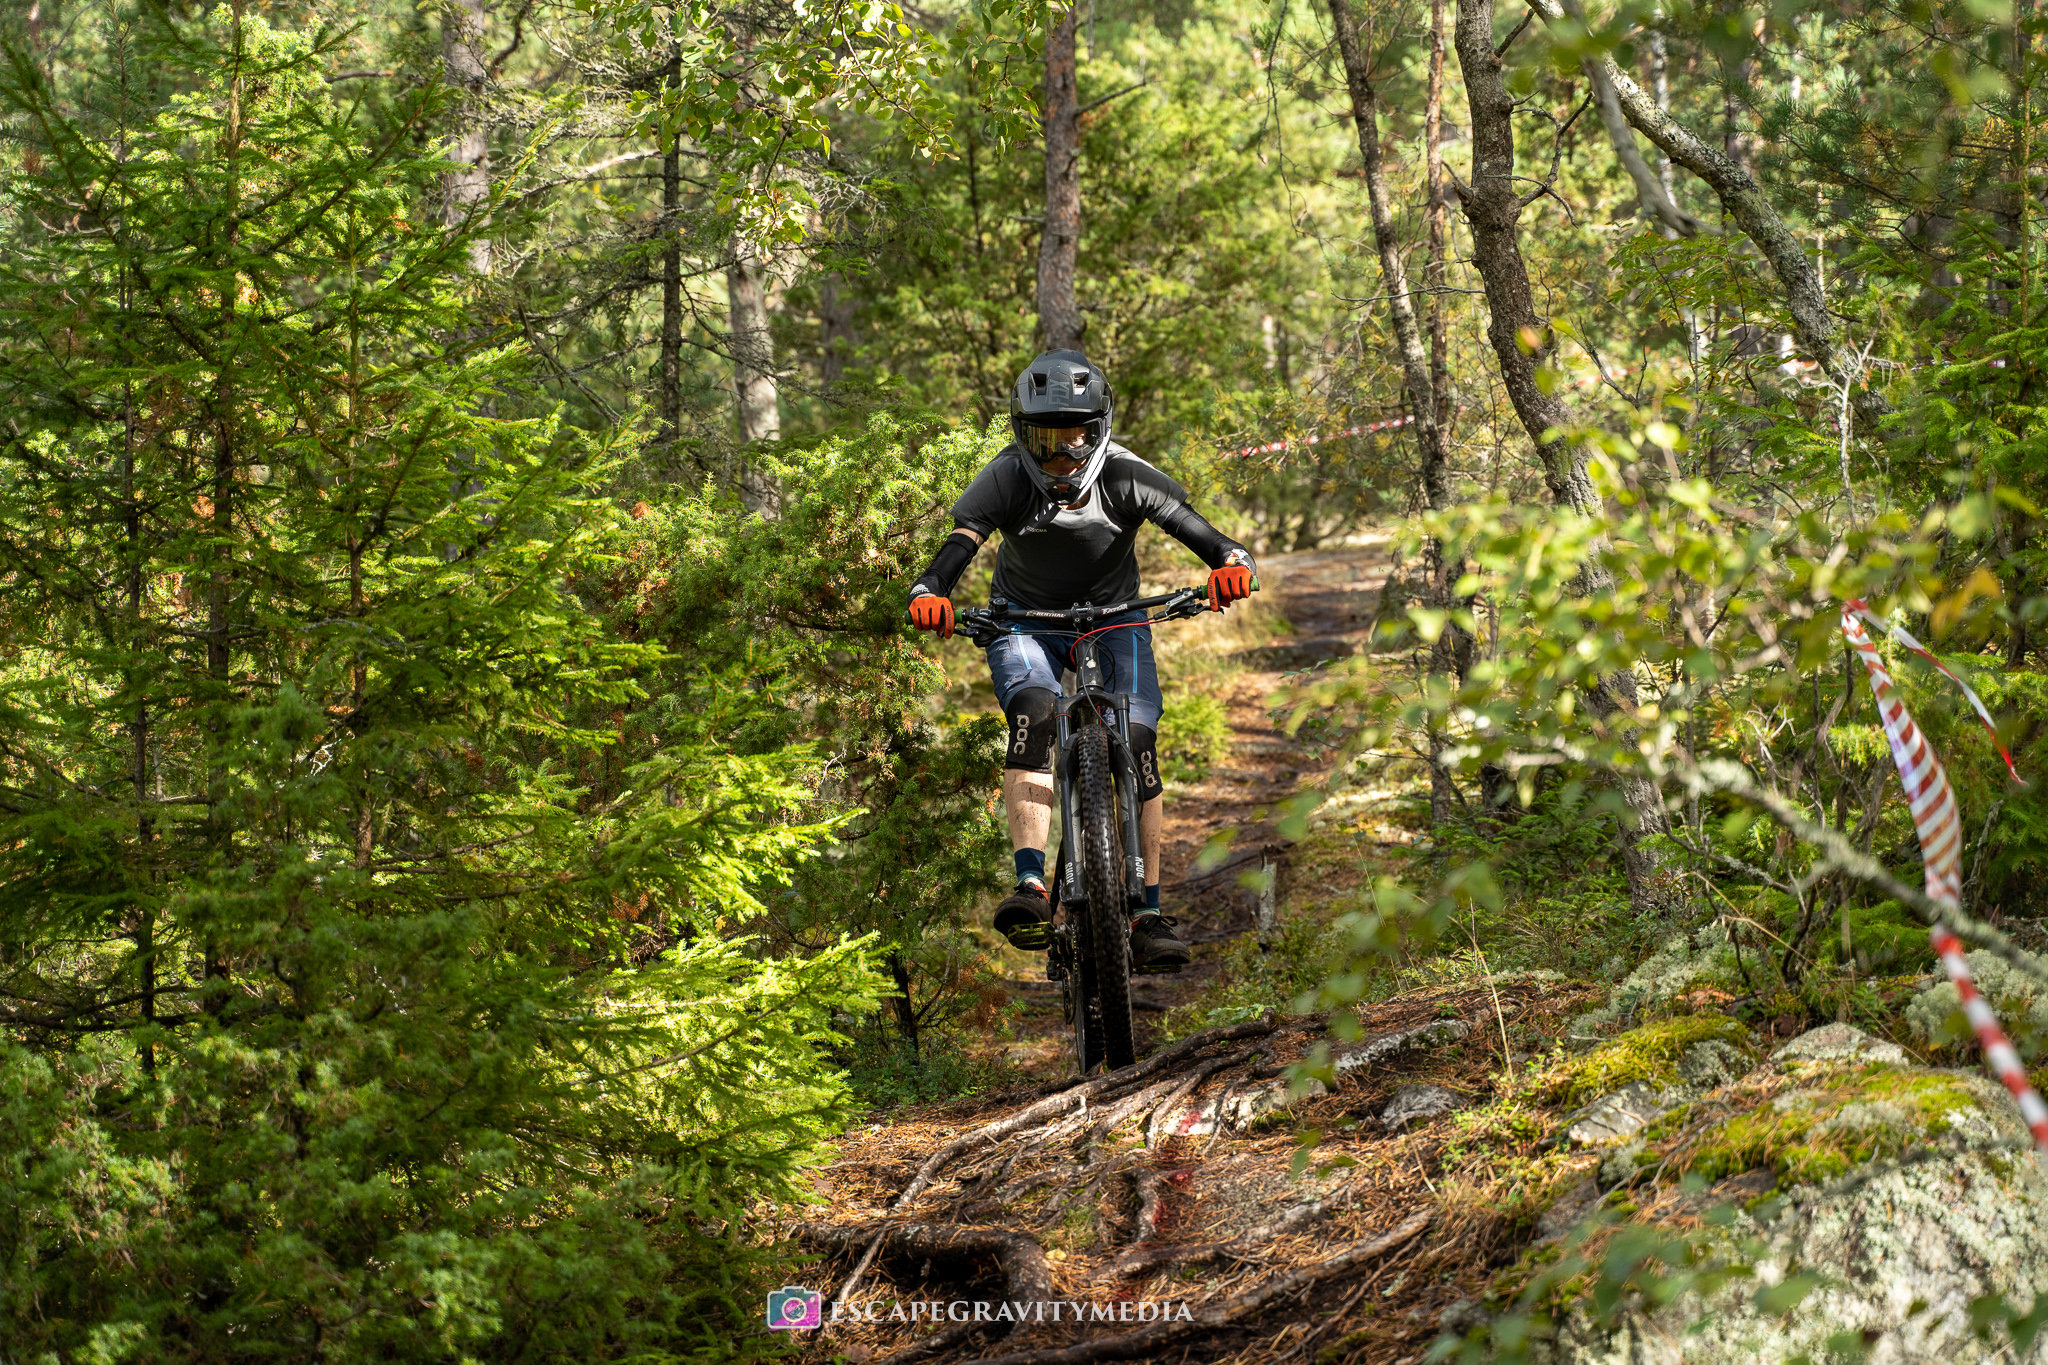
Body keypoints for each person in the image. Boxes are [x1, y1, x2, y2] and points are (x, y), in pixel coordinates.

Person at [905, 350, 1256, 971]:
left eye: (1077, 437)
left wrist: (1232, 567)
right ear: (1023, 437)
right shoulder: (1006, 478)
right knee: (1035, 710)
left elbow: (1214, 541)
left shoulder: (1127, 476)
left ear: (1100, 430)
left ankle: (1147, 914)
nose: (1063, 456)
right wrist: (929, 592)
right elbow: (956, 549)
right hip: (1024, 621)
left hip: (1116, 619)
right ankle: (1031, 886)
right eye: (1046, 441)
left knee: (1138, 739)